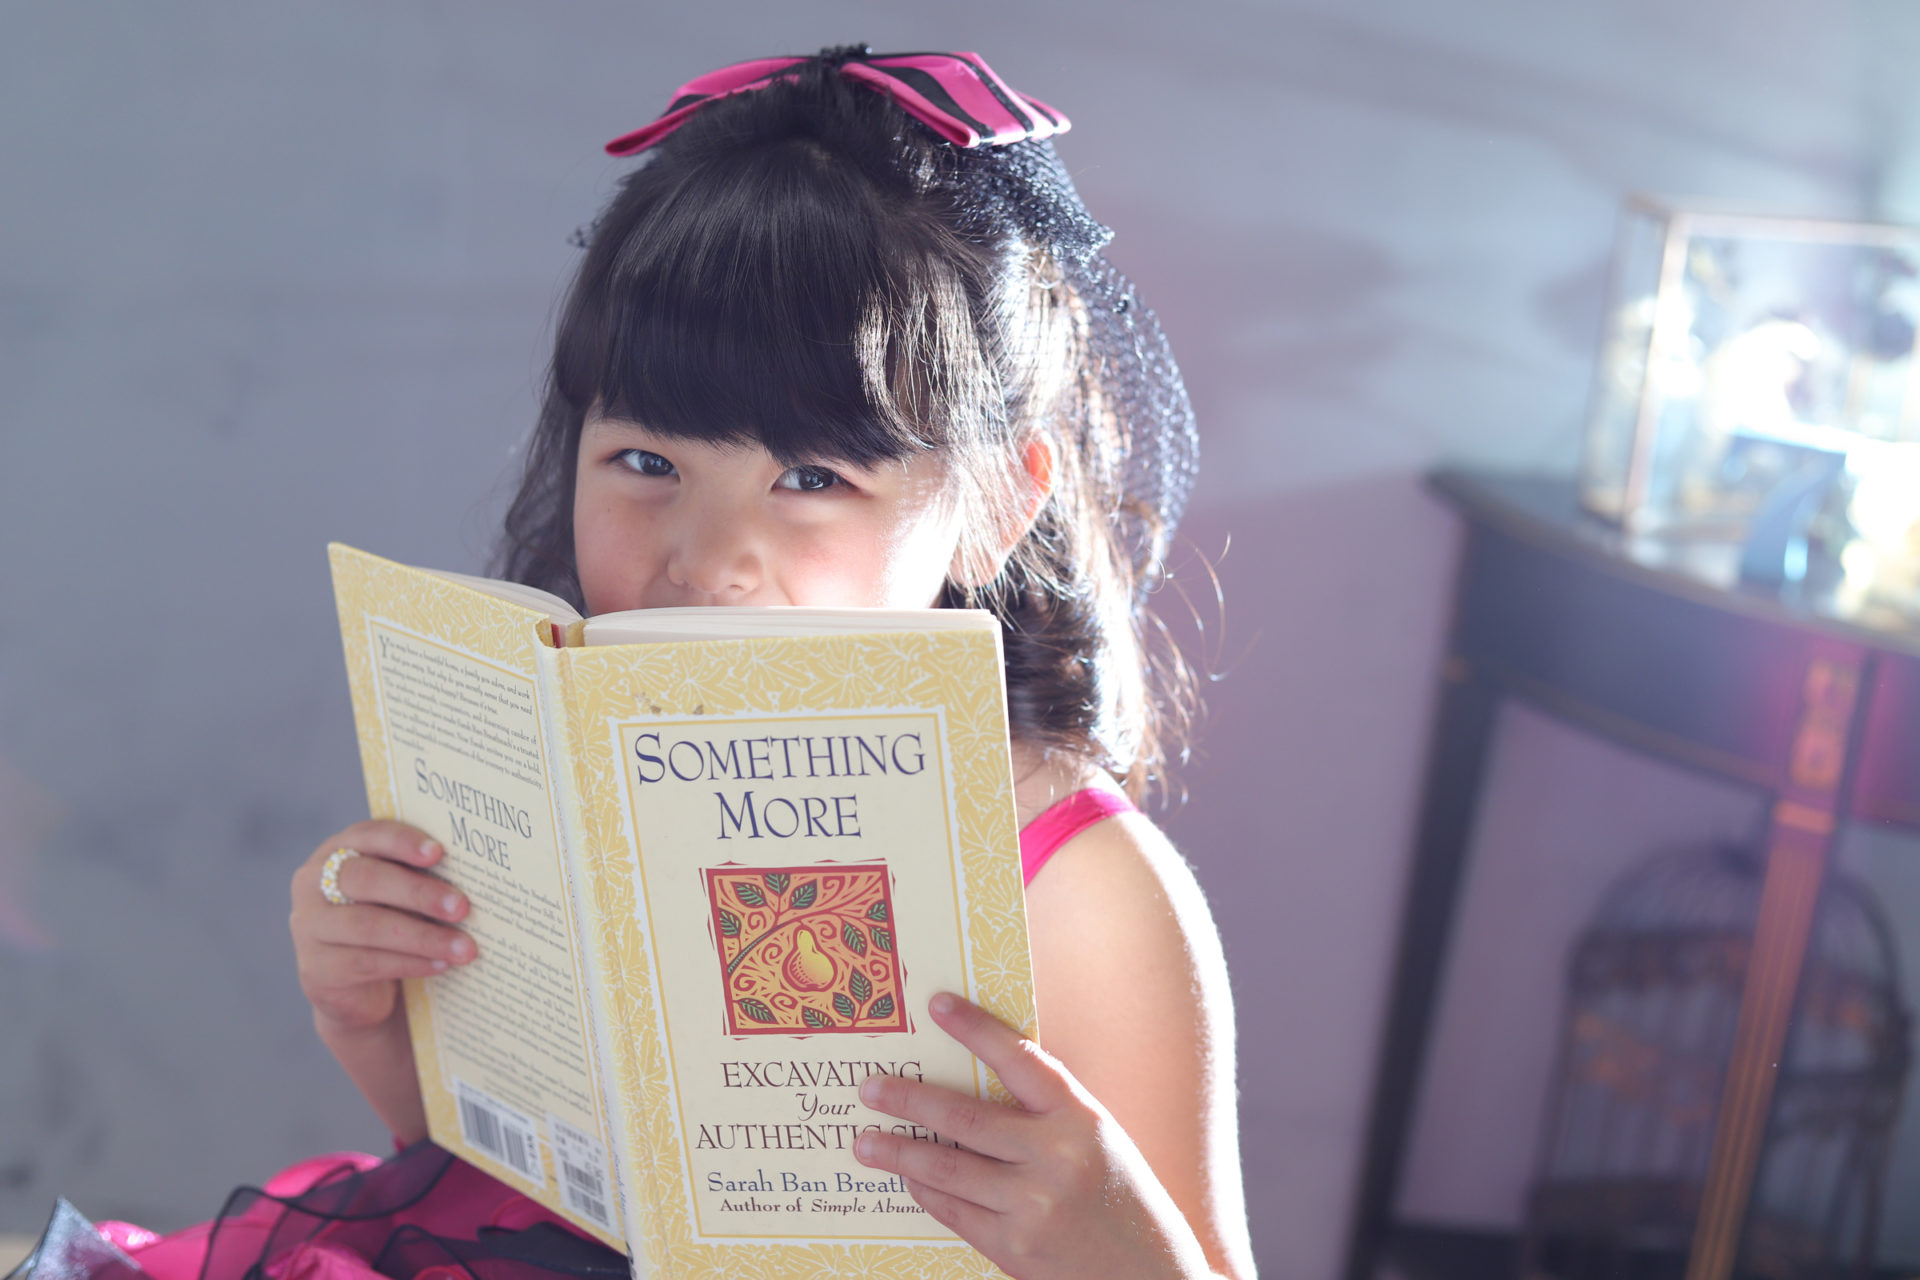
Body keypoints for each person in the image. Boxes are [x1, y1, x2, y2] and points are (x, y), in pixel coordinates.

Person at [30, 47, 1252, 1280]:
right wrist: (380, 1021)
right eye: (647, 463)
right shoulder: (561, 764)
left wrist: (1118, 1247)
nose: (708, 559)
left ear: (998, 505)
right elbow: (503, 1185)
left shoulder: (1084, 889)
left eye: (812, 477)